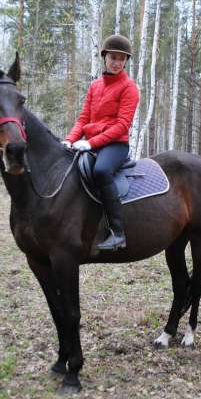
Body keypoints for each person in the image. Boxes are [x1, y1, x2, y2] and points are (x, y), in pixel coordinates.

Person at [62, 34, 139, 251]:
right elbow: (84, 118)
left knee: (102, 171)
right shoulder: (95, 86)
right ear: (105, 57)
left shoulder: (129, 87)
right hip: (93, 143)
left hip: (116, 144)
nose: (117, 62)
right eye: (113, 57)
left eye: (122, 59)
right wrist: (70, 139)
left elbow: (122, 125)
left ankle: (117, 233)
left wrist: (91, 143)